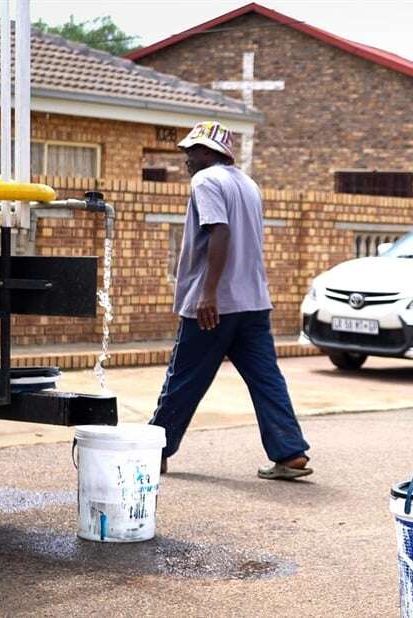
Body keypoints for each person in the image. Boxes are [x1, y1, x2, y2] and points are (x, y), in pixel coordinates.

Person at [149, 121, 312, 481]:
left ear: (212, 153)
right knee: (266, 378)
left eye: (193, 151)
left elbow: (219, 232)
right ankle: (289, 451)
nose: (187, 159)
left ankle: (154, 450)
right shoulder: (248, 184)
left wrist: (208, 293)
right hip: (252, 302)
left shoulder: (206, 181)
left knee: (184, 378)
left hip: (214, 305)